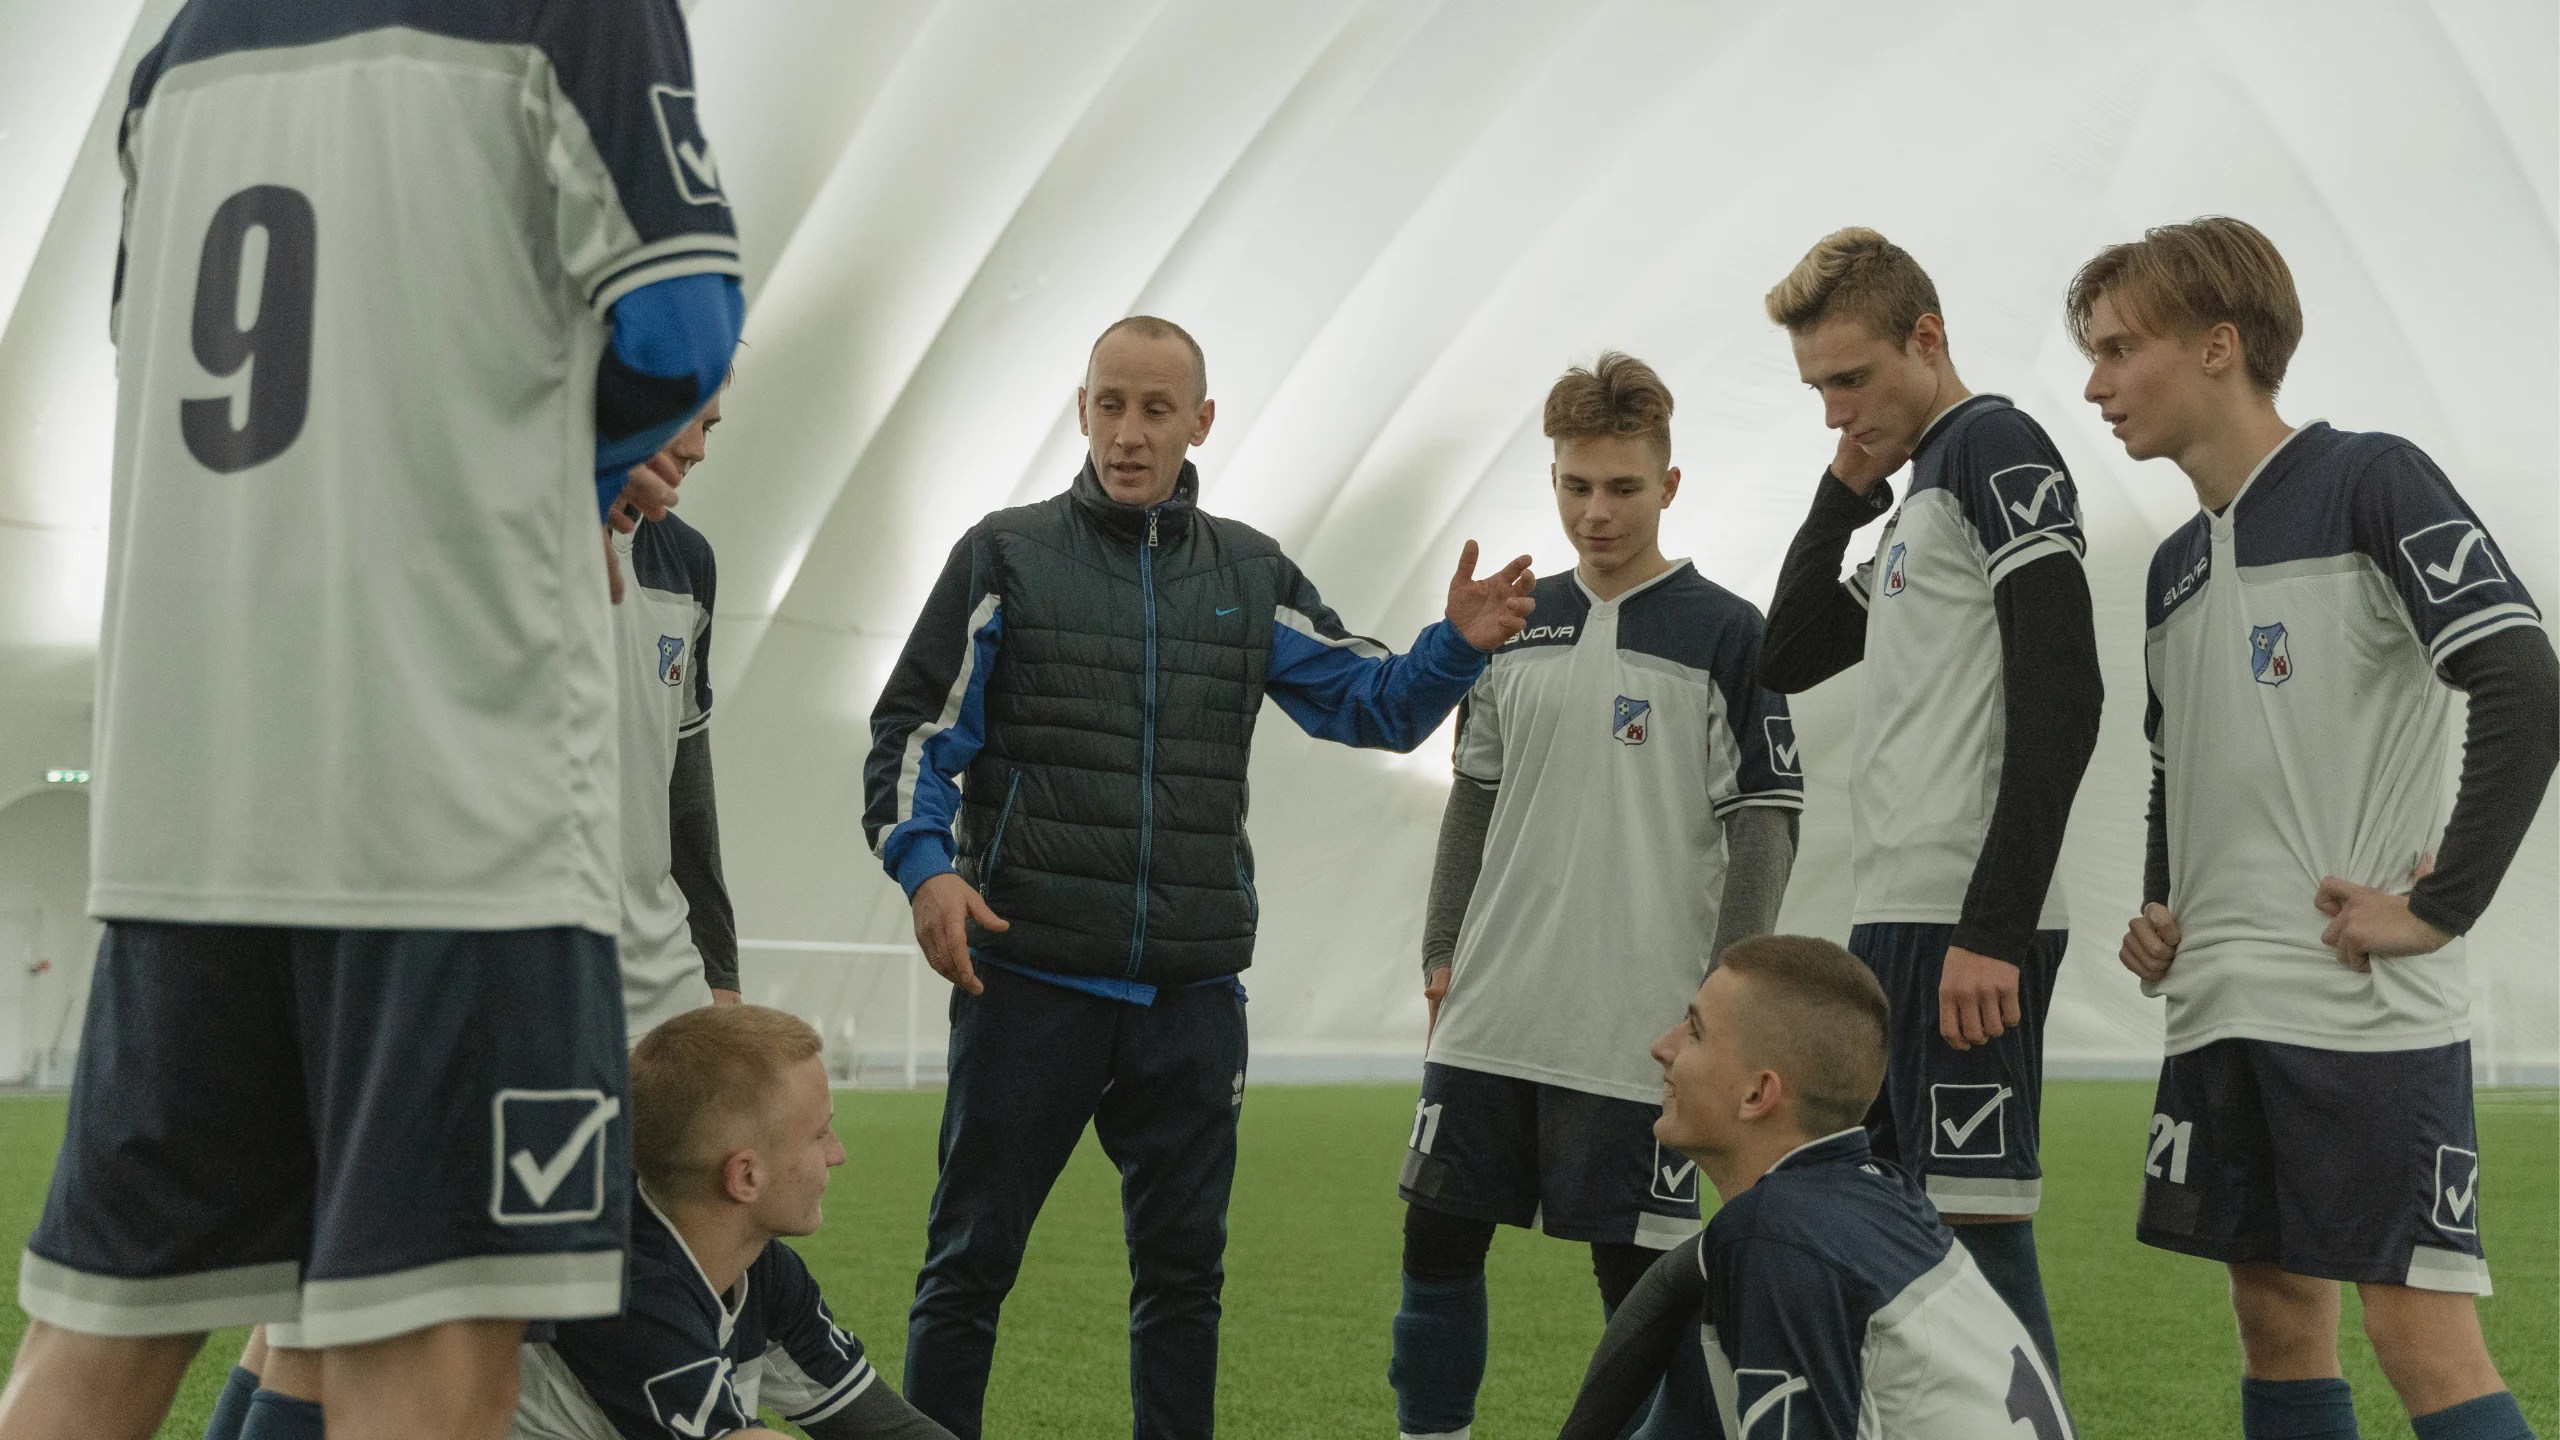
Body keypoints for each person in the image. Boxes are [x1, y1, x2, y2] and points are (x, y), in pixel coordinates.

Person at [2, 2, 744, 1438]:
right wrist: (559, 476)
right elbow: (681, 324)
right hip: (441, 807)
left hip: (185, 793)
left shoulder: (186, 43)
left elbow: (145, 350)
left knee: (96, 1339)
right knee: (432, 1329)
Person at [864, 315, 1536, 1440]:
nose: (1130, 434)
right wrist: (926, 868)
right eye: (1110, 406)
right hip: (1027, 977)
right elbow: (913, 736)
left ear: (1200, 422)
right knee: (968, 1265)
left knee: (1183, 1282)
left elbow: (1366, 701)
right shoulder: (1005, 553)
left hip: (1190, 992)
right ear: (1082, 411)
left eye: (1155, 410)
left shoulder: (1249, 570)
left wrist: (1452, 646)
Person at [2075, 216, 2557, 1440]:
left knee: (2420, 1338)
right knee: (2274, 1318)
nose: (2095, 383)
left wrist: (2439, 907)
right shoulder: (2174, 564)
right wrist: (2158, 901)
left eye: (2121, 349)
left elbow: (2522, 678)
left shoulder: (2368, 481)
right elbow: (2173, 757)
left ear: (2219, 347)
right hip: (2221, 996)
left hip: (2356, 1005)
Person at [1391, 353, 1801, 1440]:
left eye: (1621, 487)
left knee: (1643, 1290)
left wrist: (1727, 1007)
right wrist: (1442, 953)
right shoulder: (1512, 623)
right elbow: (1472, 796)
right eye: (1575, 485)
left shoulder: (1728, 633)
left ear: (1668, 486)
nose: (1595, 511)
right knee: (1434, 1248)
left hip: (1639, 1025)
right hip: (1490, 1009)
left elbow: (1764, 822)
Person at [1756, 227, 2102, 1371]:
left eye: (1851, 380)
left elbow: (2066, 691)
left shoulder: (1994, 447)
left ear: (1928, 337)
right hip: (1896, 923)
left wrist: (1991, 929)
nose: (1834, 411)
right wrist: (1844, 488)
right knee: (1895, 1238)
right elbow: (1791, 650)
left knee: (1975, 1245)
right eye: (1816, 389)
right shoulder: (1913, 503)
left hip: (1965, 927)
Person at [1554, 934, 2073, 1439]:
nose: (1661, 1047)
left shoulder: (1777, 1238)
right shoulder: (1876, 1195)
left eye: (1694, 1032)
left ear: (1758, 1093)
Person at [510, 1004, 951, 1440]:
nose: (838, 1154)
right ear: (745, 1175)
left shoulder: (762, 1267)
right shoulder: (625, 1292)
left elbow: (884, 1427)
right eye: (820, 1134)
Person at [613, 390, 745, 1032]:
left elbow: (687, 793)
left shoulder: (690, 564)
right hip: (522, 975)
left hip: (663, 986)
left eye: (709, 424)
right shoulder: (506, 543)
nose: (696, 447)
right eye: (682, 410)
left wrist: (719, 973)